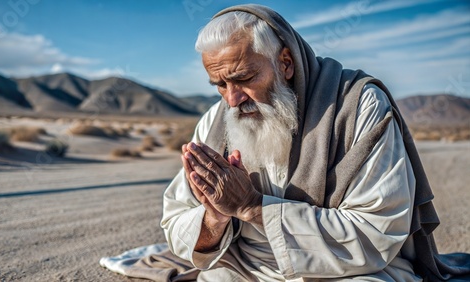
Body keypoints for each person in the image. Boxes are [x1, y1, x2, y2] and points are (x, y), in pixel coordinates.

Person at [100, 4, 470, 281]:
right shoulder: (217, 121)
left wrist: (252, 206)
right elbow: (177, 223)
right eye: (219, 84)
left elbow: (378, 232)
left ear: (286, 63)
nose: (232, 99)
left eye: (243, 78)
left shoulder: (357, 108)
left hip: (348, 272)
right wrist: (214, 215)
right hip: (247, 268)